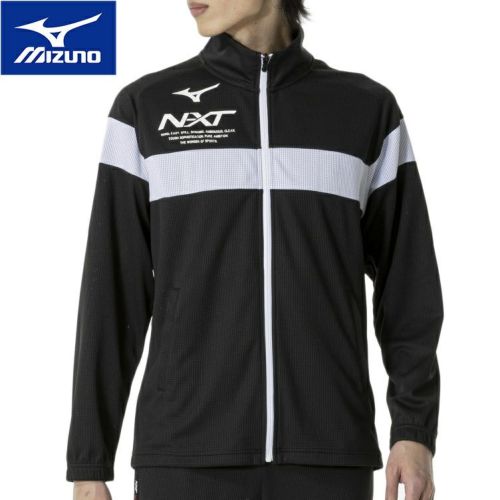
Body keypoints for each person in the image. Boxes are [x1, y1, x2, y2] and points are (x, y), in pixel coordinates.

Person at [66, 0, 443, 499]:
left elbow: (409, 286)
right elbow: (112, 293)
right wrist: (89, 463)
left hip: (328, 454)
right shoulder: (146, 108)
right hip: (184, 457)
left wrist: (413, 431)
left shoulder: (365, 110)